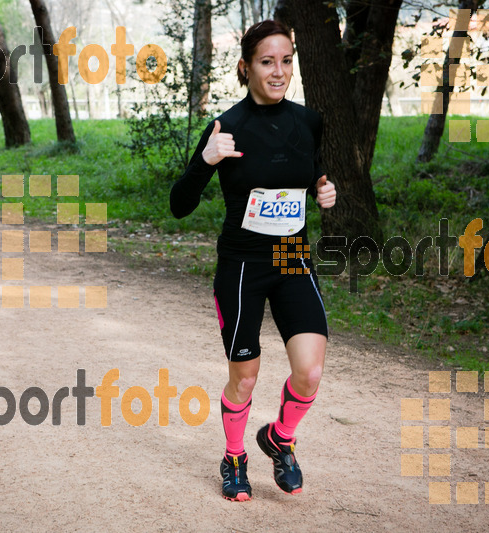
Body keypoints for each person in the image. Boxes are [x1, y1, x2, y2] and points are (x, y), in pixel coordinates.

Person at [169, 19, 336, 502]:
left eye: (286, 60)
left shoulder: (308, 120)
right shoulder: (228, 126)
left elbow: (311, 172)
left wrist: (324, 191)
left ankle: (280, 438)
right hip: (242, 263)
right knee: (245, 376)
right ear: (246, 67)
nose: (279, 71)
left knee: (310, 372)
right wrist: (206, 159)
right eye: (267, 61)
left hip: (291, 256)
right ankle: (235, 456)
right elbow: (180, 204)